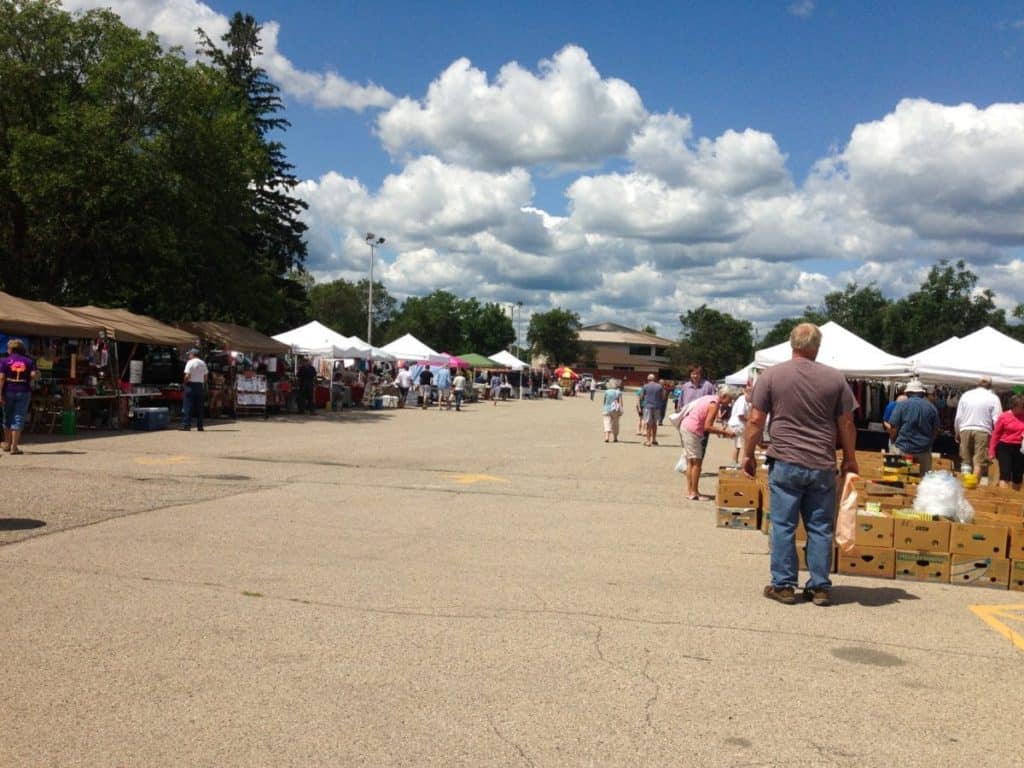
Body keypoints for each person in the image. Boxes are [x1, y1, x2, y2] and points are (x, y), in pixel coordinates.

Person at [742, 323, 858, 607]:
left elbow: (756, 420)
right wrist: (850, 459)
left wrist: (747, 454)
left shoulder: (771, 375)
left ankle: (783, 585)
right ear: (817, 346)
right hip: (821, 463)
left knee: (783, 525)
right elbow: (846, 422)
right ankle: (819, 587)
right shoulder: (835, 379)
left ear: (790, 344)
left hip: (785, 460)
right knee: (820, 527)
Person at [680, 384, 738, 500]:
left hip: (687, 427)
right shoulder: (714, 404)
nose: (730, 402)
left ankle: (691, 490)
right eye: (730, 399)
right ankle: (693, 493)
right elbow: (708, 427)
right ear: (724, 395)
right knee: (696, 463)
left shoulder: (709, 398)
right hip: (693, 430)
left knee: (691, 462)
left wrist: (719, 431)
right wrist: (725, 432)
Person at [888, 379, 939, 473]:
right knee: (923, 482)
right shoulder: (932, 408)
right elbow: (935, 430)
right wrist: (928, 443)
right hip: (923, 451)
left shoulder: (901, 406)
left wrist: (893, 441)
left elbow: (893, 427)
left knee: (901, 479)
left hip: (903, 449)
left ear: (907, 393)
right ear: (922, 394)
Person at [954, 376, 1001, 479]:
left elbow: (958, 417)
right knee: (979, 461)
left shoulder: (966, 395)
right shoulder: (993, 398)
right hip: (983, 431)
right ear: (990, 385)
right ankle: (973, 485)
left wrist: (957, 432)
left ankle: (965, 483)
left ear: (978, 383)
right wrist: (996, 437)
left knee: (965, 460)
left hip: (965, 429)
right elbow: (997, 419)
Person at [0, 338, 39, 455]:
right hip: (24, 391)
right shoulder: (29, 361)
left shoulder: (4, 361)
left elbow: (1, 378)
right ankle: (14, 447)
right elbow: (33, 375)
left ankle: (7, 443)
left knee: (7, 416)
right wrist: (34, 375)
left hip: (8, 391)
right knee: (18, 417)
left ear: (11, 349)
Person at [988, 394, 1024, 490]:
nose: (1023, 408)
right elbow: (995, 435)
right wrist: (991, 451)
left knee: (1018, 475)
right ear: (1014, 406)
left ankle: (1014, 498)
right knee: (1005, 473)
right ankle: (1004, 499)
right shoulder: (1004, 417)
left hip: (1020, 448)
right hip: (1005, 447)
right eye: (1021, 406)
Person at [180, 348, 209, 431]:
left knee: (188, 406)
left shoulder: (190, 362)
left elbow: (187, 376)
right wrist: (202, 383)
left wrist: (185, 383)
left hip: (190, 385)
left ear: (193, 354)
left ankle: (186, 425)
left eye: (189, 354)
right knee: (199, 407)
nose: (189, 356)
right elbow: (206, 377)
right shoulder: (203, 363)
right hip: (200, 385)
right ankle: (200, 426)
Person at [727, 382, 752, 464]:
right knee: (742, 445)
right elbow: (740, 415)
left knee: (738, 445)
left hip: (738, 424)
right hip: (738, 425)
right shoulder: (742, 400)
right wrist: (749, 420)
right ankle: (739, 463)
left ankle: (735, 462)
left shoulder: (744, 400)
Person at [640, 373, 664, 446]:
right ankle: (654, 439)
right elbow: (663, 397)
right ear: (655, 379)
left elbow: (641, 397)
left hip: (647, 407)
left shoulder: (645, 386)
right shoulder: (659, 386)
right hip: (657, 407)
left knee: (648, 424)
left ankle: (648, 441)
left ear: (648, 379)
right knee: (654, 424)